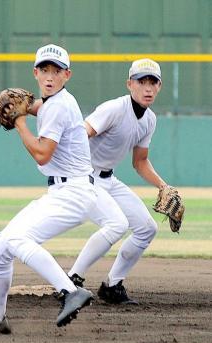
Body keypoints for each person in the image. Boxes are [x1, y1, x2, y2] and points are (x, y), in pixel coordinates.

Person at [0, 43, 103, 335]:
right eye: (44, 69)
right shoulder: (53, 102)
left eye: (56, 71)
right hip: (64, 192)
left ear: (67, 75)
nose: (49, 76)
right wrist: (27, 107)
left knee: (19, 239)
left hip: (73, 194)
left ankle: (70, 291)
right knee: (1, 247)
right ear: (35, 72)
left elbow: (43, 153)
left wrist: (19, 120)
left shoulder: (59, 105)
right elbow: (42, 107)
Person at [68, 58, 166, 305]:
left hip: (108, 179)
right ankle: (71, 282)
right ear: (129, 84)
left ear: (159, 87)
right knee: (117, 224)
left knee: (147, 228)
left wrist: (163, 186)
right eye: (141, 81)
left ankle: (112, 285)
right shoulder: (114, 109)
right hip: (85, 178)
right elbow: (82, 133)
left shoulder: (150, 119)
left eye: (152, 82)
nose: (147, 88)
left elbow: (140, 162)